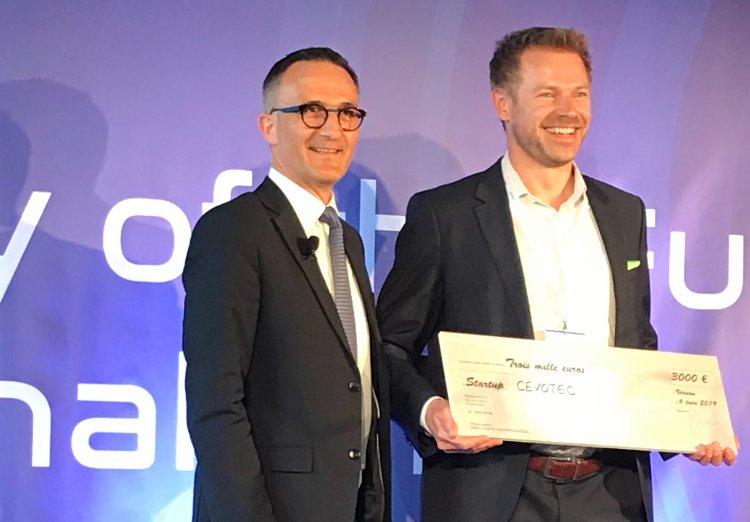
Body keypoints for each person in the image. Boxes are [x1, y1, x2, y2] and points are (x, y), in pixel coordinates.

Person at [376, 27, 736, 521]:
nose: (569, 111)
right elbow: (390, 347)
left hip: (610, 494)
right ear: (503, 103)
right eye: (547, 94)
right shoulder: (446, 215)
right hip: (492, 491)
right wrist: (430, 410)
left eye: (579, 94)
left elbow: (636, 345)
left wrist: (688, 425)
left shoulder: (624, 212)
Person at [182, 47, 390, 522]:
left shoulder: (348, 240)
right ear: (269, 126)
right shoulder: (234, 230)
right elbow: (216, 403)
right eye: (312, 110)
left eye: (347, 113)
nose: (332, 129)